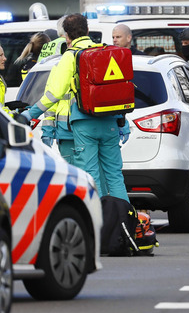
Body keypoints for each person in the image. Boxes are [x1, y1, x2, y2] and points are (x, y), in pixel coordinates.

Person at [24, 14, 127, 199]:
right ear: (87, 31)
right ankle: (123, 222)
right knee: (114, 176)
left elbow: (54, 94)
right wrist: (122, 122)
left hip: (84, 124)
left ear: (66, 36)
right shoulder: (104, 51)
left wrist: (30, 114)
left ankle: (100, 224)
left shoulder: (70, 56)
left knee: (91, 176)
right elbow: (117, 89)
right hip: (110, 122)